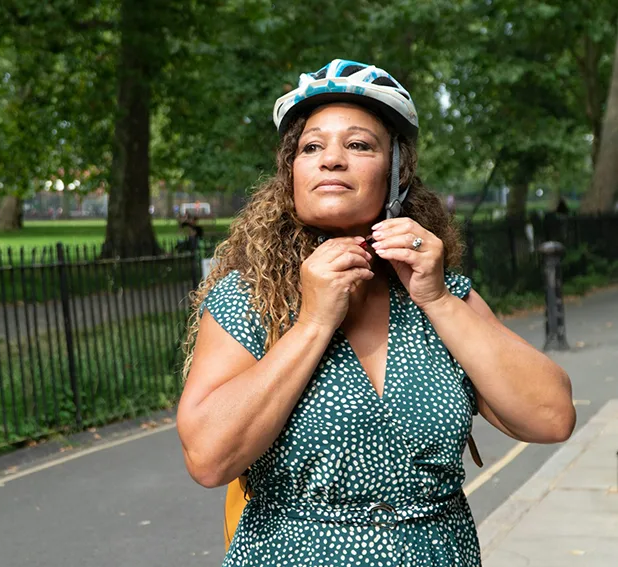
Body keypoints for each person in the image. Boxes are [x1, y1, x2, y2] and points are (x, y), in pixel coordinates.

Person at [176, 58, 575, 567]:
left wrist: (437, 301)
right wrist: (313, 323)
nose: (332, 159)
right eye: (311, 146)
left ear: (396, 175)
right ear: (290, 174)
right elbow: (208, 458)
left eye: (359, 144)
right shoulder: (250, 295)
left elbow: (551, 417)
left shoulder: (441, 293)